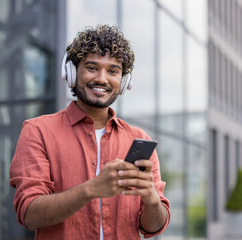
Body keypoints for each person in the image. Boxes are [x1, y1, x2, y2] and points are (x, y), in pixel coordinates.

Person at [10, 25, 170, 240]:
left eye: (113, 71)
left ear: (123, 82)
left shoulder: (139, 139)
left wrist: (151, 199)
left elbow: (151, 228)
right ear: (72, 72)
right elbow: (29, 214)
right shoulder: (38, 131)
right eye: (92, 67)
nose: (102, 79)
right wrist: (90, 189)